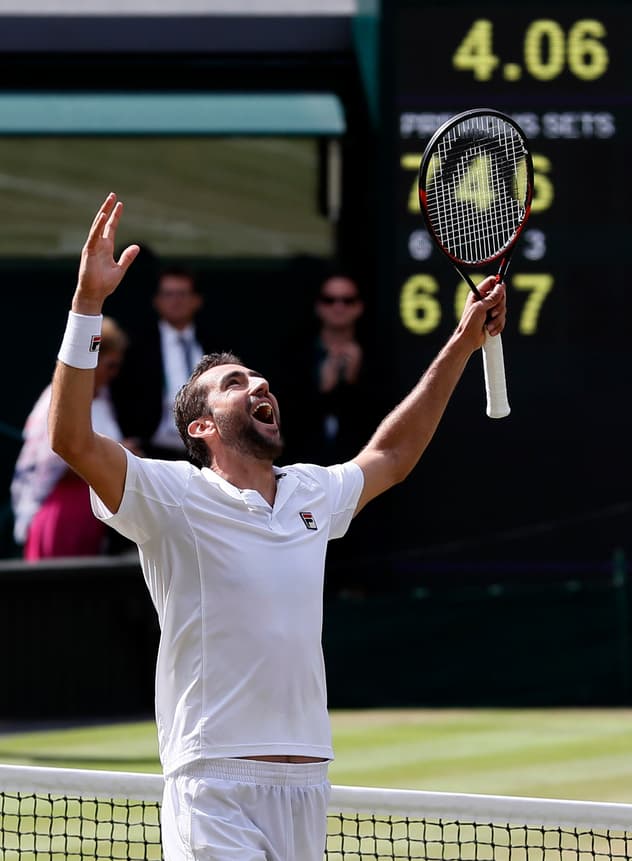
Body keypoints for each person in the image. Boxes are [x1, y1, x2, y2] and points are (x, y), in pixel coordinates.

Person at [49, 194, 506, 860]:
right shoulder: (169, 493)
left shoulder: (311, 491)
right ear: (202, 426)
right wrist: (88, 303)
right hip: (213, 782)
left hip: (305, 783)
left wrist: (462, 342)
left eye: (260, 378)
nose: (260, 385)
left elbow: (392, 455)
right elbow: (71, 438)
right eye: (236, 383)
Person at [11, 317, 133, 559]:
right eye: (110, 365)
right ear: (93, 361)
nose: (114, 373)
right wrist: (118, 456)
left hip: (93, 517)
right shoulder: (59, 400)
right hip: (61, 515)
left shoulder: (104, 399)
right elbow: (60, 457)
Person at [111, 263, 221, 459]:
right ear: (157, 301)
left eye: (182, 294)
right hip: (152, 451)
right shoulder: (137, 346)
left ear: (196, 300)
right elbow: (120, 394)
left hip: (207, 450)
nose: (175, 301)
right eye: (168, 294)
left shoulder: (214, 343)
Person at [283, 271, 377, 465]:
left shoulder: (378, 355)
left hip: (361, 465)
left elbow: (383, 417)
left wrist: (352, 382)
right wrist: (323, 389)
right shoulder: (294, 355)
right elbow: (286, 420)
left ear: (359, 307)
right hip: (303, 464)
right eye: (329, 300)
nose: (338, 307)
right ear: (318, 306)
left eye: (348, 301)